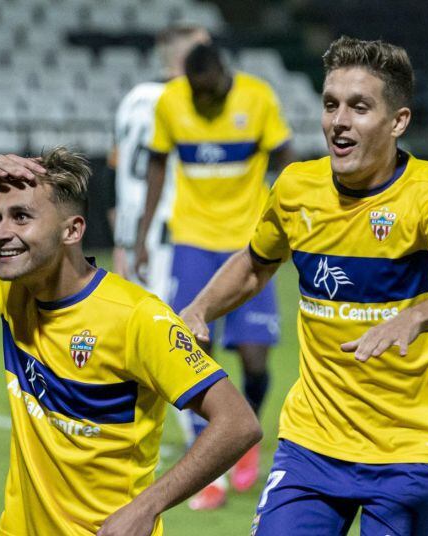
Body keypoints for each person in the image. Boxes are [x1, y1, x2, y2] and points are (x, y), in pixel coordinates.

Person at [179, 36, 428, 535]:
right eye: (331, 104)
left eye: (360, 107)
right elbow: (256, 263)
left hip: (407, 454)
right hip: (309, 447)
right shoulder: (297, 188)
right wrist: (200, 309)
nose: (339, 121)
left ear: (398, 121)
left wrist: (417, 315)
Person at [0, 147, 261, 536]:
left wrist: (146, 507)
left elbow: (237, 424)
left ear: (72, 230)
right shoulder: (7, 281)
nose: (0, 234)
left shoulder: (136, 317)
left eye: (21, 217)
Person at [133, 42, 295, 509]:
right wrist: (145, 233)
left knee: (255, 357)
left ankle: (243, 436)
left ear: (225, 72)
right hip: (193, 240)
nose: (204, 100)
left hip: (249, 242)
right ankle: (209, 459)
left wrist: (296, 213)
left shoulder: (257, 98)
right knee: (192, 349)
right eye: (197, 92)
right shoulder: (172, 102)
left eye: (211, 91)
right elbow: (159, 165)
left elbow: (286, 157)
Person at [107, 24, 211, 302]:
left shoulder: (132, 99)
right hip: (170, 227)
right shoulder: (185, 101)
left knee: (137, 326)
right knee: (174, 328)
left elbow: (113, 169)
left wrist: (120, 240)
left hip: (131, 228)